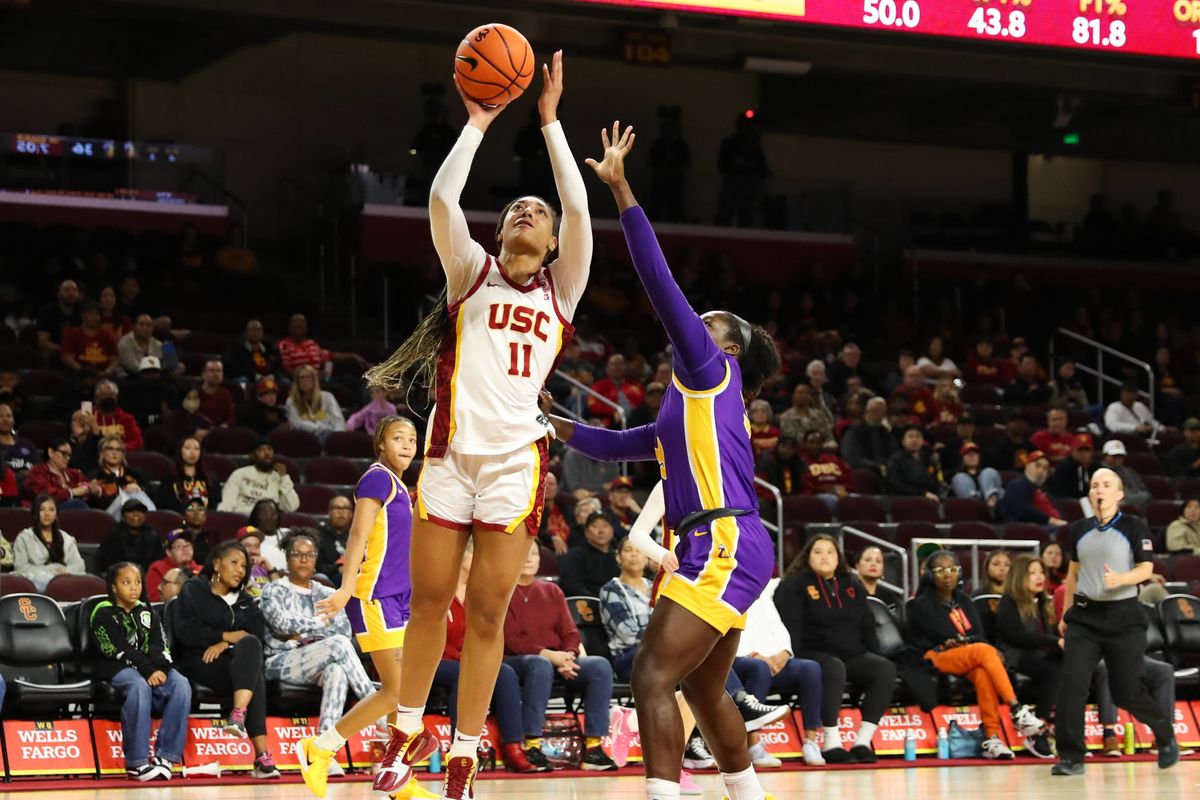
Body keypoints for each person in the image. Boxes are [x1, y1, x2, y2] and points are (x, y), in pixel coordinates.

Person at [346, 57, 592, 799]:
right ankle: (403, 733)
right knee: (429, 605)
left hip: (515, 465)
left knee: (485, 614)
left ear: (551, 244)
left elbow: (580, 210)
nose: (528, 212)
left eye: (537, 213)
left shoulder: (562, 286)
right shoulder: (470, 274)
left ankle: (462, 750)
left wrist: (548, 122)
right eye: (517, 207)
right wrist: (480, 120)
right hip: (450, 459)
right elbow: (442, 196)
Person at [548, 122, 783, 800]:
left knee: (651, 675)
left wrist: (621, 189)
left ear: (729, 348)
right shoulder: (690, 406)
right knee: (707, 690)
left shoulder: (712, 371)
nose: (696, 324)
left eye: (710, 321)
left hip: (724, 538)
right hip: (730, 539)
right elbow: (620, 443)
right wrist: (551, 423)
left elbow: (657, 281)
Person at [295, 417, 439, 800]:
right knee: (396, 692)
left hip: (400, 598)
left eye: (412, 439)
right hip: (374, 596)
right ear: (380, 444)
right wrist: (345, 589)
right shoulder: (376, 478)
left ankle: (399, 780)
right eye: (398, 438)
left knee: (405, 695)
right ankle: (319, 747)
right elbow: (357, 534)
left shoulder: (401, 487)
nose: (408, 445)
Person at [1051, 468, 1180, 775]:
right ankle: (1071, 757)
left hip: (1124, 617)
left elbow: (1146, 569)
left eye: (1107, 485)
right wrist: (1066, 614)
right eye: (1095, 485)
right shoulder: (1079, 528)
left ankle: (1165, 735)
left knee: (1126, 691)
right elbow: (1072, 574)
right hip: (1084, 618)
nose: (1099, 489)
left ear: (1119, 494)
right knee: (1072, 684)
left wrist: (1121, 578)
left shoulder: (1134, 526)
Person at [906, 549, 1045, 760]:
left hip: (969, 655)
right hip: (935, 655)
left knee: (982, 672)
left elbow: (978, 633)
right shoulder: (921, 603)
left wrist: (967, 641)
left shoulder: (964, 600)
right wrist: (963, 641)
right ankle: (1017, 709)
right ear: (929, 574)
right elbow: (936, 634)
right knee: (984, 651)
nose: (947, 574)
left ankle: (992, 739)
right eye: (941, 570)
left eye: (952, 569)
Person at [261, 530, 376, 779]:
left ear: (315, 559)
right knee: (336, 645)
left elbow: (345, 628)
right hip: (279, 661)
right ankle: (377, 711)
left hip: (318, 658)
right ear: (287, 558)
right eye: (297, 554)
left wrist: (303, 630)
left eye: (309, 555)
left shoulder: (326, 592)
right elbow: (281, 624)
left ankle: (323, 751)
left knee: (336, 670)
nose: (304, 559)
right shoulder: (273, 590)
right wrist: (320, 624)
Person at [774, 535, 896, 764]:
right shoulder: (794, 586)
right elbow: (790, 628)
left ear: (838, 557)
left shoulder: (852, 585)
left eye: (830, 552)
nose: (824, 557)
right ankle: (831, 743)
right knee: (833, 667)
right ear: (807, 557)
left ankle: (862, 742)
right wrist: (792, 659)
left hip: (851, 653)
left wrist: (873, 654)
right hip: (811, 653)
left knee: (884, 669)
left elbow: (868, 626)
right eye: (818, 552)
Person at [503, 541, 618, 771]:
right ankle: (533, 745)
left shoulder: (552, 591)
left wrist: (568, 656)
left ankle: (594, 748)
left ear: (539, 559)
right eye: (523, 554)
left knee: (599, 666)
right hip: (517, 660)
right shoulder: (504, 591)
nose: (528, 559)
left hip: (557, 659)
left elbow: (570, 632)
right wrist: (548, 655)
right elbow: (509, 638)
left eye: (534, 554)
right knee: (539, 665)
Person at [173, 540, 280, 779]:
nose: (240, 569)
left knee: (251, 650)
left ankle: (238, 714)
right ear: (217, 565)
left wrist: (226, 643)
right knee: (253, 678)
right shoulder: (193, 590)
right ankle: (262, 757)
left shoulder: (245, 600)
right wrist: (223, 635)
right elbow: (186, 632)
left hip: (232, 663)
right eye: (234, 563)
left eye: (244, 566)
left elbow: (256, 637)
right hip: (198, 659)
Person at [436, 541, 536, 774]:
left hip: (467, 659)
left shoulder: (481, 593)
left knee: (504, 671)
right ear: (461, 556)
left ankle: (513, 746)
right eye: (475, 554)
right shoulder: (440, 588)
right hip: (437, 660)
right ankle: (460, 751)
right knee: (462, 674)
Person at [90, 562, 191, 781]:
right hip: (114, 666)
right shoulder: (102, 612)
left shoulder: (148, 611)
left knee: (181, 683)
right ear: (114, 587)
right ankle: (137, 763)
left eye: (137, 582)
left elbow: (159, 644)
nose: (134, 587)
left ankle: (166, 756)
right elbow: (116, 648)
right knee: (138, 686)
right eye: (126, 582)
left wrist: (162, 668)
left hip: (149, 667)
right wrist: (147, 671)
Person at [735, 576, 826, 767]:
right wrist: (754, 655)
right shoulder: (721, 589)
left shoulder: (759, 591)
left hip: (774, 660)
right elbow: (724, 634)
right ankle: (753, 746)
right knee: (758, 668)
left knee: (810, 668)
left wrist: (784, 652)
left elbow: (778, 627)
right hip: (740, 662)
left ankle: (811, 742)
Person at [995, 554, 1060, 758]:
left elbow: (1049, 637)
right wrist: (1053, 642)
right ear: (1019, 577)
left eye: (1041, 572)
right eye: (1032, 573)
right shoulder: (1008, 601)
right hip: (1016, 655)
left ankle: (1066, 730)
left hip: (1039, 653)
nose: (1039, 577)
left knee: (1072, 664)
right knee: (1052, 673)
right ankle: (1036, 730)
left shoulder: (1043, 602)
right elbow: (1017, 636)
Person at [13, 494, 87, 590]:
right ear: (36, 513)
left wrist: (66, 571)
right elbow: (20, 567)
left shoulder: (66, 538)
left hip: (64, 582)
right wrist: (49, 573)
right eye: (42, 509)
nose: (47, 513)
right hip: (35, 583)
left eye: (51, 509)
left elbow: (79, 565)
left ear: (56, 514)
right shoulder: (24, 537)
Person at [218, 440, 300, 515]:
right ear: (253, 455)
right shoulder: (240, 474)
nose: (267, 453)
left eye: (270, 450)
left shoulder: (279, 478)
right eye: (261, 450)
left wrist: (284, 477)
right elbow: (227, 503)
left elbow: (292, 507)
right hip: (243, 518)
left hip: (269, 522)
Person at [278, 313, 369, 378]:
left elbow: (331, 355)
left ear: (306, 328)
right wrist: (310, 376)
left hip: (319, 380)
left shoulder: (311, 344)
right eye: (295, 321)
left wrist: (353, 356)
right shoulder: (284, 344)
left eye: (302, 322)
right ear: (289, 327)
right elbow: (288, 371)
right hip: (300, 381)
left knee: (349, 379)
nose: (299, 324)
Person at [558, 512, 621, 597]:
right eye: (595, 526)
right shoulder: (575, 555)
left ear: (612, 531)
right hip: (587, 604)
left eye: (605, 525)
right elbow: (572, 585)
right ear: (586, 532)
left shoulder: (620, 555)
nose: (601, 531)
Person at [91, 435, 156, 518]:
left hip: (137, 508)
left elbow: (150, 492)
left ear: (123, 454)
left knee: (135, 493)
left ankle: (151, 518)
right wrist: (124, 490)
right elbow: (95, 504)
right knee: (127, 494)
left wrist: (140, 488)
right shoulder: (95, 476)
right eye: (110, 449)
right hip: (109, 516)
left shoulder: (136, 474)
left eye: (118, 450)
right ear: (102, 453)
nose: (114, 452)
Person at [23, 439, 100, 508]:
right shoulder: (37, 472)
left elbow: (88, 487)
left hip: (76, 510)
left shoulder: (74, 474)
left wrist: (95, 490)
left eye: (69, 455)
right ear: (51, 452)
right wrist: (72, 492)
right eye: (64, 454)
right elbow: (42, 495)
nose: (68, 458)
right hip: (50, 511)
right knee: (77, 504)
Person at [999, 451, 1067, 527]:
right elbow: (1023, 510)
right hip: (1031, 529)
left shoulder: (1045, 489)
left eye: (1045, 468)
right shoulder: (1018, 484)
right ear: (1027, 466)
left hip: (1054, 527)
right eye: (1037, 465)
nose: (1041, 470)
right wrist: (1050, 520)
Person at [97, 498, 163, 574]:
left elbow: (157, 564)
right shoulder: (113, 536)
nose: (136, 514)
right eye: (131, 511)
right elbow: (107, 564)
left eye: (140, 511)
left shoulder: (152, 536)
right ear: (123, 517)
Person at [156, 437, 219, 513]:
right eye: (187, 448)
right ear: (180, 451)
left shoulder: (211, 478)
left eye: (196, 449)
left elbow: (215, 505)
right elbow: (165, 506)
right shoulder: (170, 478)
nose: (192, 452)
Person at [286, 364, 346, 442]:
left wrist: (337, 436)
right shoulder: (291, 401)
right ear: (297, 381)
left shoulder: (327, 397)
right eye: (301, 378)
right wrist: (321, 429)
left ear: (314, 379)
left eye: (308, 377)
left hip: (331, 435)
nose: (304, 380)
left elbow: (338, 420)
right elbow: (296, 423)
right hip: (306, 438)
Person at [840, 396, 894, 477]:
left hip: (887, 471)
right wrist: (876, 466)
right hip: (864, 473)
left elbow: (893, 453)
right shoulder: (854, 432)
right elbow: (851, 458)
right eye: (877, 411)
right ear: (868, 411)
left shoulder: (885, 431)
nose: (883, 415)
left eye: (883, 412)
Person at [60, 300, 119, 374]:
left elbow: (115, 359)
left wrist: (107, 372)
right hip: (79, 375)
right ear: (83, 315)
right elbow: (67, 358)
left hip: (103, 376)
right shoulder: (71, 334)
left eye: (97, 314)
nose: (95, 317)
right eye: (91, 313)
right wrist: (83, 371)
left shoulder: (107, 335)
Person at [799, 430, 854, 507]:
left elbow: (849, 479)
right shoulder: (800, 462)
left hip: (841, 493)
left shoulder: (835, 460)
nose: (815, 446)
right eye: (811, 442)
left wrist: (843, 488)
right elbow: (805, 488)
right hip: (817, 496)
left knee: (862, 500)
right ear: (804, 444)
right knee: (831, 499)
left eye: (818, 442)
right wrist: (823, 489)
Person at [886, 425, 943, 500]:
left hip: (929, 497)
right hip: (903, 499)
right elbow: (897, 484)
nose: (914, 440)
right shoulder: (896, 460)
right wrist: (923, 493)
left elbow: (934, 480)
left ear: (923, 441)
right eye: (910, 436)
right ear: (903, 441)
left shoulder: (928, 458)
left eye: (918, 436)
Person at [589, 353, 645, 428]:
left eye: (621, 364)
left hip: (636, 420)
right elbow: (592, 405)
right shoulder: (599, 386)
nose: (618, 367)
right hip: (612, 422)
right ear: (607, 368)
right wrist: (613, 411)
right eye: (614, 364)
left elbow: (643, 404)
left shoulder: (636, 386)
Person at [145, 530, 202, 602]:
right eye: (179, 546)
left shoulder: (201, 570)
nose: (184, 549)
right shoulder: (157, 568)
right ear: (168, 552)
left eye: (187, 545)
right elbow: (153, 599)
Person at [223, 320, 284, 386]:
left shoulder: (270, 347)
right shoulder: (238, 347)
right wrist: (258, 377)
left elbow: (279, 366)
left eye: (259, 330)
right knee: (243, 381)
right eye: (253, 330)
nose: (256, 333)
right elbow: (237, 368)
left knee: (285, 381)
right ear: (246, 332)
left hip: (270, 377)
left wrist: (272, 376)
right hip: (250, 378)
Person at [123, 356, 177, 430]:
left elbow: (173, 412)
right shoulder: (131, 389)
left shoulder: (169, 390)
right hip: (138, 427)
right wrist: (153, 419)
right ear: (141, 374)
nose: (151, 375)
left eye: (154, 372)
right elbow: (129, 413)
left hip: (163, 428)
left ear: (159, 373)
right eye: (147, 372)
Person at [1098, 439, 1152, 509]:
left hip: (1134, 509)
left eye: (1120, 456)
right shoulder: (1098, 472)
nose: (1117, 459)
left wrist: (1127, 501)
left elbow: (1145, 494)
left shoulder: (1129, 472)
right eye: (1114, 456)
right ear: (1105, 456)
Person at [93, 380, 144, 452]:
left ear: (116, 398)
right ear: (96, 399)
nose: (108, 398)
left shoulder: (127, 419)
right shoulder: (89, 418)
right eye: (103, 395)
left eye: (111, 395)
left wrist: (117, 449)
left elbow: (138, 442)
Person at [950, 442, 1003, 508]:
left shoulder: (988, 473)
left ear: (980, 457)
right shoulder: (958, 477)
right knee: (959, 477)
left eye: (975, 453)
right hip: (970, 509)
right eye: (967, 453)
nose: (971, 455)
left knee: (988, 472)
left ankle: (991, 502)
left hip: (997, 506)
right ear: (962, 458)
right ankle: (977, 505)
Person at [315, 495, 354, 585]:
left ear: (351, 513)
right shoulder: (318, 535)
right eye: (337, 508)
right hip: (329, 578)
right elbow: (317, 565)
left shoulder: (358, 535)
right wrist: (337, 568)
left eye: (346, 508)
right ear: (329, 512)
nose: (341, 512)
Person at [37, 279, 82, 353]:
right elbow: (42, 341)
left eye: (74, 290)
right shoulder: (47, 312)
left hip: (78, 352)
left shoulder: (83, 311)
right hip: (55, 352)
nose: (71, 293)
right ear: (59, 294)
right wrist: (64, 350)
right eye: (66, 290)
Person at [855, 545, 903, 614]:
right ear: (857, 565)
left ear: (883, 568)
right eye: (868, 560)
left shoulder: (890, 597)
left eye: (878, 561)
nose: (873, 564)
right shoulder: (849, 594)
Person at [1047, 434, 1095, 500]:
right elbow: (1059, 493)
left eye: (1087, 450)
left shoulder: (1096, 468)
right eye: (1080, 450)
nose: (1084, 453)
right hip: (1069, 505)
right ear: (1073, 451)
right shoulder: (1064, 468)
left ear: (1092, 452)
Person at [0, 402, 38, 479]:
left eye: (9, 416)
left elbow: (38, 470)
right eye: (0, 416)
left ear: (13, 421)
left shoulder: (28, 445)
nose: (5, 419)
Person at [197, 359, 236, 428]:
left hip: (220, 433)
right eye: (212, 370)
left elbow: (231, 418)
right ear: (203, 375)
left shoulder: (226, 394)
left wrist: (224, 426)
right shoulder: (194, 394)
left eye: (219, 371)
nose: (216, 374)